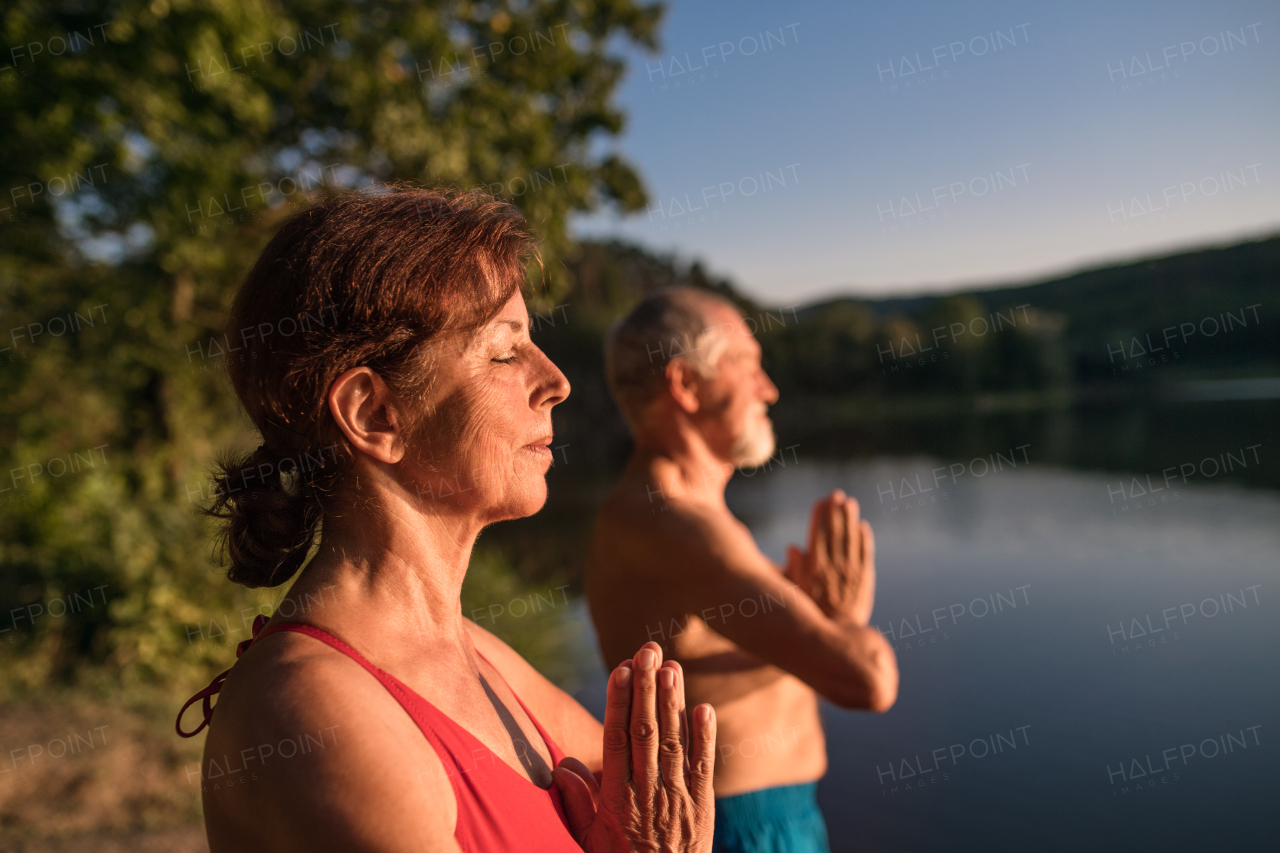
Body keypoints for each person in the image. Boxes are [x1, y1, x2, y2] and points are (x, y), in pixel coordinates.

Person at [175, 189, 717, 853]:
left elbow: (645, 798)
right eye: (503, 352)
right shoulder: (317, 717)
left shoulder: (473, 650)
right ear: (374, 414)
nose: (555, 380)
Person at [585, 289, 899, 853]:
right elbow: (867, 681)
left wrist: (810, 615)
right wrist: (844, 621)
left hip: (770, 816)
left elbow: (718, 647)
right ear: (685, 384)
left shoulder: (672, 512)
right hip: (738, 827)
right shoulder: (672, 523)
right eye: (749, 366)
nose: (768, 389)